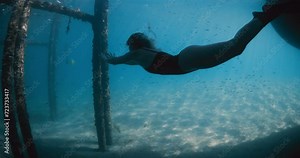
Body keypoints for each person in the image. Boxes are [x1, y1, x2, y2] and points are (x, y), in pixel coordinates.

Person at [105, 1, 300, 75]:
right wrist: (115, 60)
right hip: (188, 59)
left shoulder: (137, 55)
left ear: (133, 45)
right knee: (235, 47)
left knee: (235, 47)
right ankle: (266, 15)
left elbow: (117, 61)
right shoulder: (140, 57)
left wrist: (106, 58)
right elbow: (127, 62)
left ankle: (266, 15)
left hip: (187, 60)